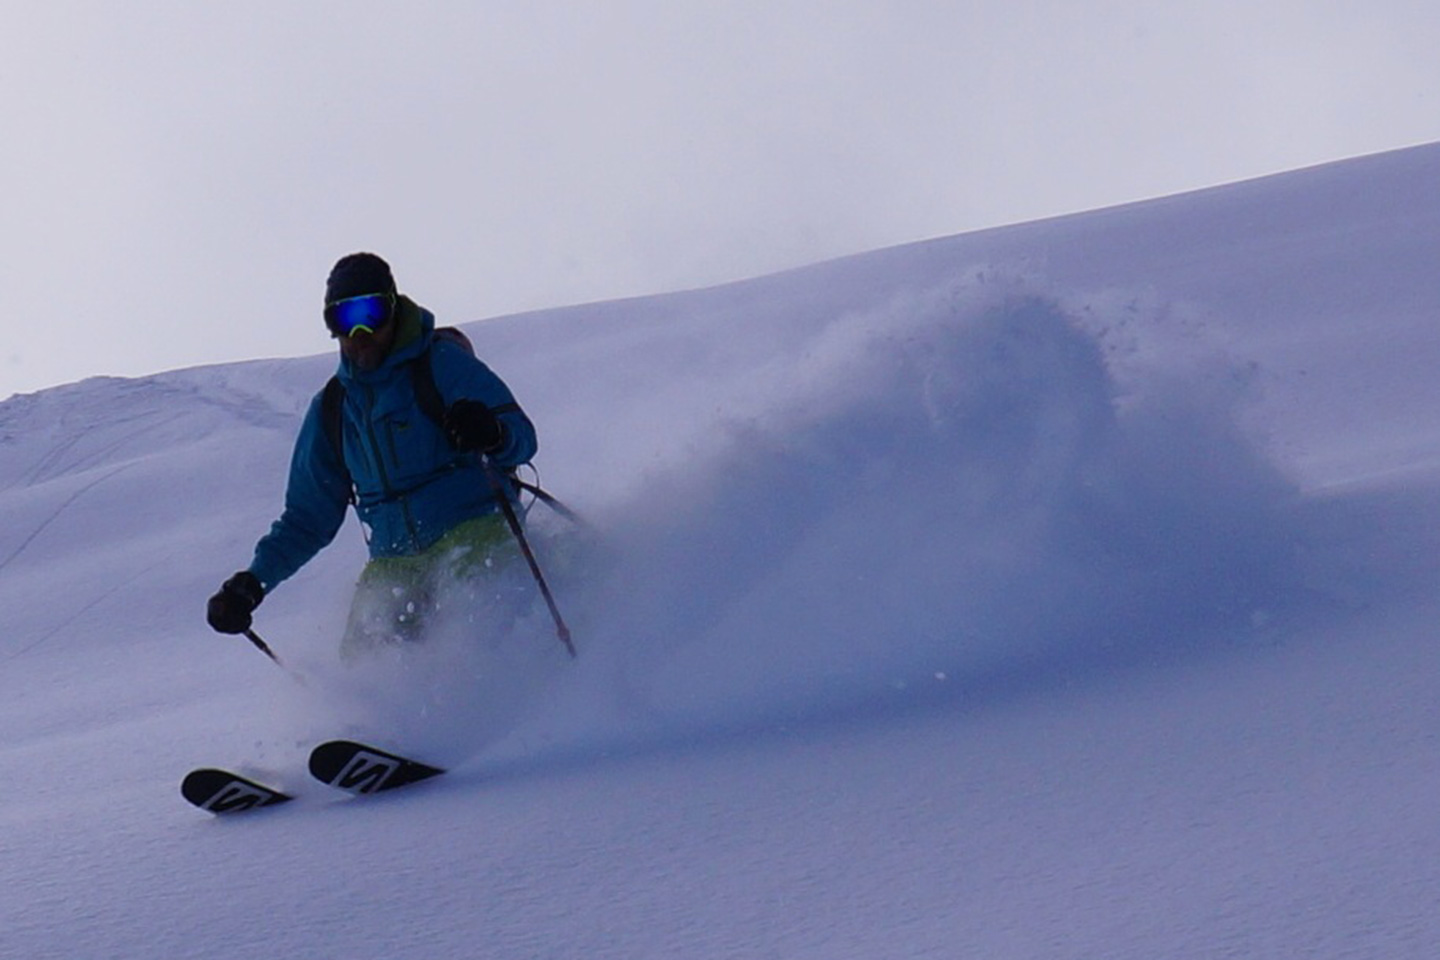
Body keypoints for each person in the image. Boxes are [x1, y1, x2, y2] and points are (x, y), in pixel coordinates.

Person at [206, 252, 538, 657]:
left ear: (394, 310)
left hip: (477, 531)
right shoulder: (334, 408)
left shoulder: (443, 365)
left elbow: (522, 438)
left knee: (472, 623)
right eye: (344, 319)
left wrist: (492, 432)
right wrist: (253, 584)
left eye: (371, 313)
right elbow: (308, 519)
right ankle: (373, 721)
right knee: (366, 657)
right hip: (396, 564)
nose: (360, 331)